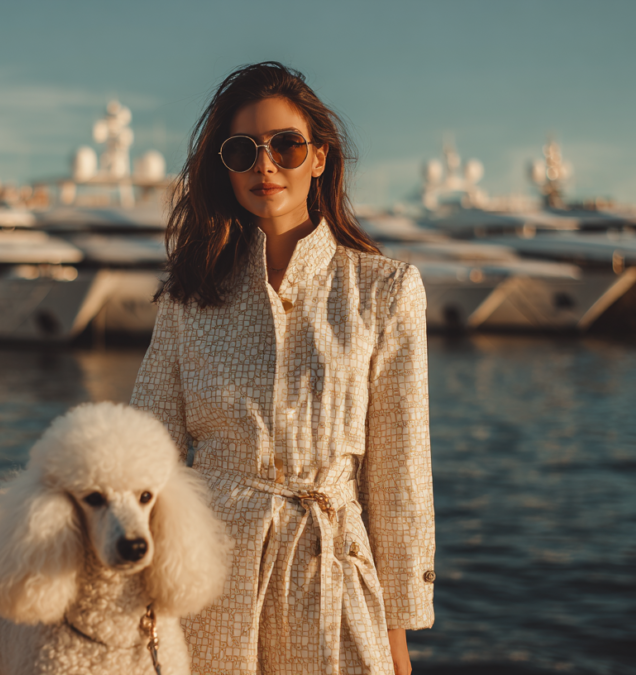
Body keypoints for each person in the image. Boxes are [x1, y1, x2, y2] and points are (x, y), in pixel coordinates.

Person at [130, 61, 434, 675]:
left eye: (286, 145)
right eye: (242, 150)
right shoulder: (191, 297)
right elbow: (143, 455)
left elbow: (400, 480)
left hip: (330, 581)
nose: (264, 165)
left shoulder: (383, 289)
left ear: (319, 157)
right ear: (225, 167)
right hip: (207, 580)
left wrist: (398, 642)